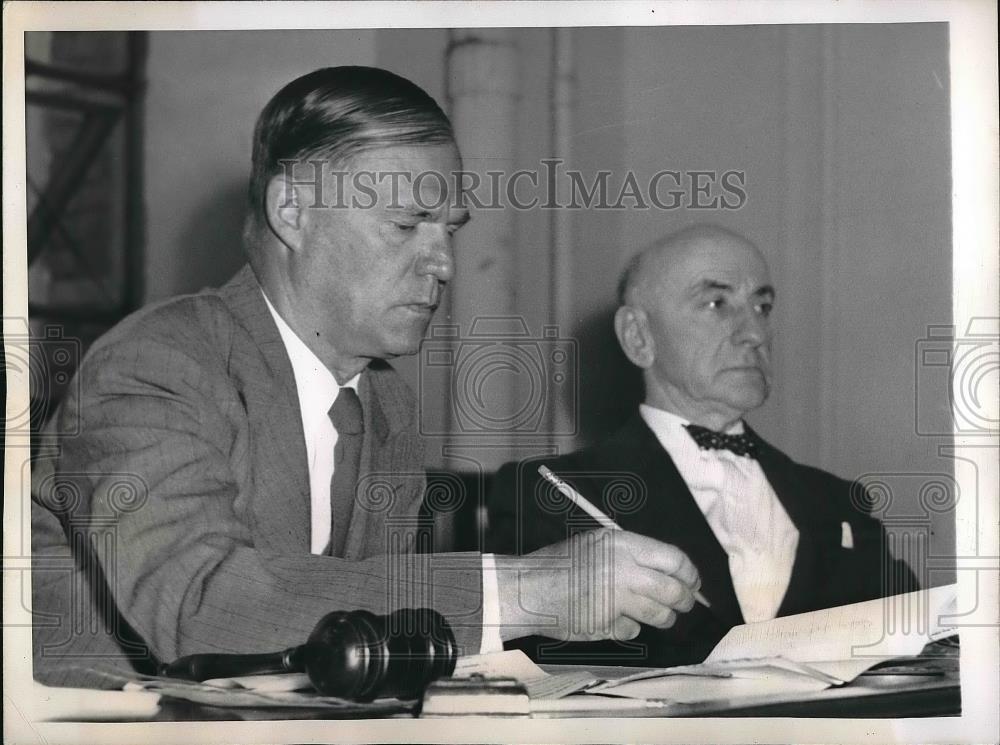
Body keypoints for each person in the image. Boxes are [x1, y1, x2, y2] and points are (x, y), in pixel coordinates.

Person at [30, 66, 702, 688]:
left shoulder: (385, 406)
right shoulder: (151, 366)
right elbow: (206, 607)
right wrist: (529, 590)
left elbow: (360, 632)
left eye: (449, 230)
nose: (441, 262)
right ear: (291, 211)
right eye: (406, 223)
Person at [487, 224, 919, 667]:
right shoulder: (550, 494)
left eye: (762, 306)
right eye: (717, 303)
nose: (754, 332)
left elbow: (916, 645)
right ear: (639, 336)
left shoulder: (838, 503)